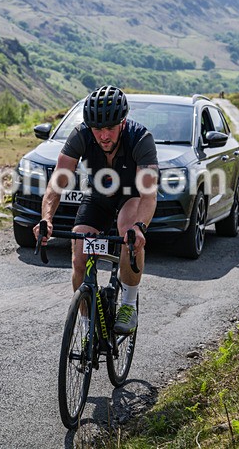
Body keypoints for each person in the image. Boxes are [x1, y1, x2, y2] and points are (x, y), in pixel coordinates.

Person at [34, 85, 158, 335]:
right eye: (98, 129)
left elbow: (149, 194)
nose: (103, 136)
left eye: (110, 128)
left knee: (128, 235)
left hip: (130, 196)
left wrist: (140, 227)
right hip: (99, 196)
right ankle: (87, 322)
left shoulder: (140, 139)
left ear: (122, 122)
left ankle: (128, 304)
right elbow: (57, 181)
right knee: (79, 254)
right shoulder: (80, 135)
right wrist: (46, 219)